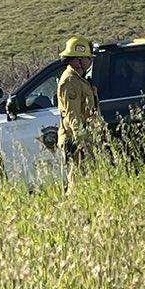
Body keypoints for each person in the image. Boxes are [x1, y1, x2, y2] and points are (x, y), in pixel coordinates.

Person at [56, 37, 102, 187]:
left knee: (89, 179)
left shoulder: (79, 79)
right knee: (78, 181)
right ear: (78, 60)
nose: (90, 61)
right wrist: (82, 142)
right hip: (76, 139)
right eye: (88, 58)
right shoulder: (70, 82)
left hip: (85, 135)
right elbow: (72, 115)